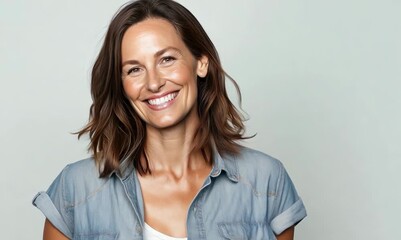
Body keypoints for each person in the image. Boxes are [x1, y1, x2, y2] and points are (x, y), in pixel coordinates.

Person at [32, 0, 307, 239]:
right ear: (121, 84)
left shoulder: (266, 182)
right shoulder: (75, 190)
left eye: (166, 59)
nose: (153, 83)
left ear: (201, 62)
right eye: (134, 69)